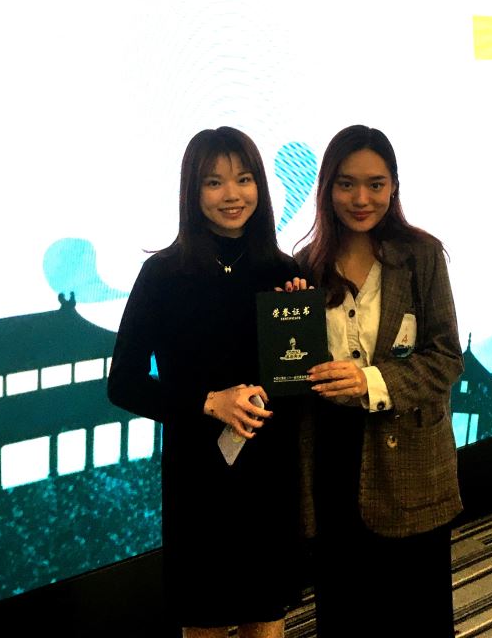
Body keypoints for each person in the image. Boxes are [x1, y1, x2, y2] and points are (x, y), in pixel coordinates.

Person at [107, 127, 301, 638]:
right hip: (198, 478)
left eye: (244, 179)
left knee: (266, 617)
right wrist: (209, 401)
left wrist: (300, 319)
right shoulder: (162, 274)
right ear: (192, 192)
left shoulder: (284, 272)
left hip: (268, 476)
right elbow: (123, 383)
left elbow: (297, 388)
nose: (232, 195)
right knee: (204, 622)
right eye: (214, 182)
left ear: (260, 186)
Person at [292, 125, 464, 638]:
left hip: (410, 459)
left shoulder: (421, 257)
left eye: (376, 184)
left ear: (394, 187)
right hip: (333, 459)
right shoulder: (304, 267)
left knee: (416, 614)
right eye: (346, 184)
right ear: (327, 188)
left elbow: (446, 358)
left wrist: (370, 382)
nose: (361, 198)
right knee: (346, 612)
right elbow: (293, 373)